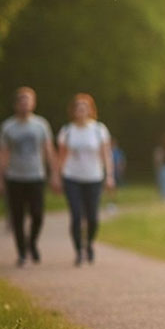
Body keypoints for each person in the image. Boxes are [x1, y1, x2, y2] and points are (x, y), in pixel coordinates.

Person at [0, 87, 60, 267]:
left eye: (28, 100)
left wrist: (54, 174)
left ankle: (32, 242)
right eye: (21, 100)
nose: (25, 103)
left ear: (33, 103)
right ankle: (22, 252)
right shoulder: (8, 127)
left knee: (37, 215)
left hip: (36, 176)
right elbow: (3, 153)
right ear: (16, 104)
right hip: (14, 177)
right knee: (17, 217)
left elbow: (49, 150)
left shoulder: (41, 125)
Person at [57, 93, 115, 266]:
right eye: (78, 107)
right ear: (73, 111)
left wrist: (109, 176)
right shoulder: (67, 131)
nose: (81, 110)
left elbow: (106, 154)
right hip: (71, 177)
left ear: (90, 109)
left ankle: (88, 243)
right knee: (76, 215)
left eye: (85, 106)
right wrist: (57, 176)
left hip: (94, 177)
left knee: (92, 218)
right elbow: (61, 156)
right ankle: (78, 251)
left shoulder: (99, 129)